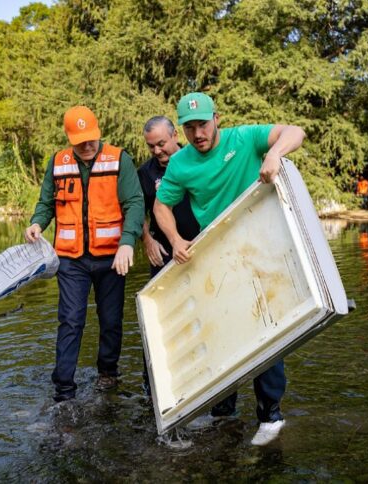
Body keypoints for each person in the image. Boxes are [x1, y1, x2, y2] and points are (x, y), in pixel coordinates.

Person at [153, 92, 305, 446]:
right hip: (216, 253)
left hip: (260, 242)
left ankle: (271, 416)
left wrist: (273, 153)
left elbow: (295, 131)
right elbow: (162, 206)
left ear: (216, 118)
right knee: (221, 330)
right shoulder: (180, 164)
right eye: (189, 128)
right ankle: (225, 413)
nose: (198, 133)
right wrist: (175, 239)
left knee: (265, 325)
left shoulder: (245, 137)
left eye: (203, 124)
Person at [24, 106, 144, 402]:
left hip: (112, 257)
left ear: (98, 132)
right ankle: (64, 386)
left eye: (91, 138)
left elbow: (135, 203)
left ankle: (108, 373)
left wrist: (128, 241)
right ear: (69, 138)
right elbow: (46, 203)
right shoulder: (58, 162)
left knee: (111, 319)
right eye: (80, 141)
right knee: (71, 319)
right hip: (70, 258)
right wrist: (37, 223)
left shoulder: (119, 159)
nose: (87, 145)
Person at [136, 115, 200, 397]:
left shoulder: (196, 159)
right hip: (163, 255)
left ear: (175, 135)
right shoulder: (146, 173)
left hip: (201, 248)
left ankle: (200, 378)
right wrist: (147, 239)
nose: (157, 151)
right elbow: (137, 210)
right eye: (151, 147)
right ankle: (154, 388)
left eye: (161, 143)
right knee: (161, 321)